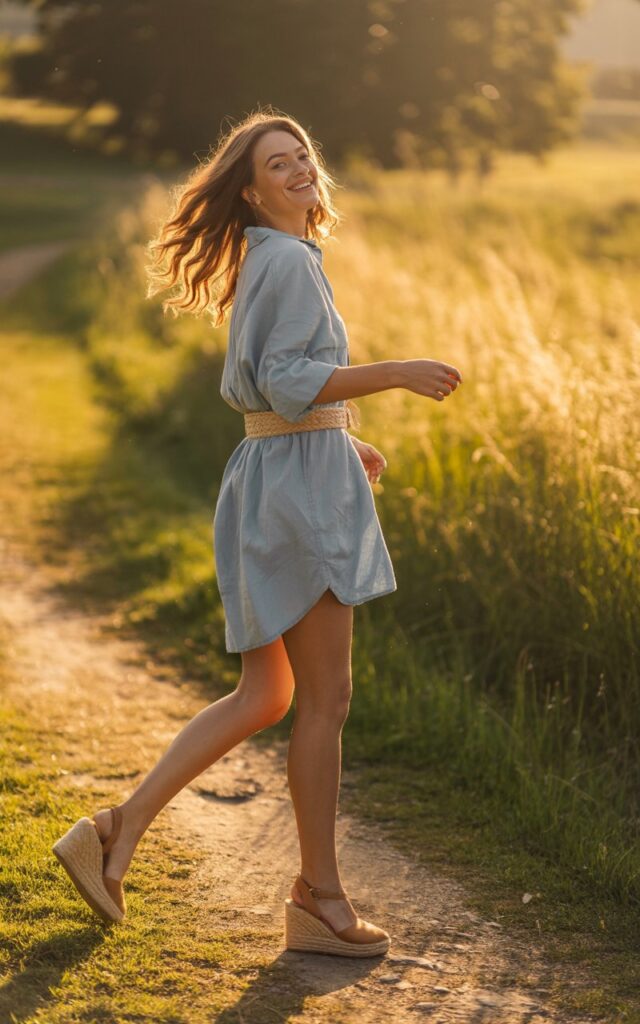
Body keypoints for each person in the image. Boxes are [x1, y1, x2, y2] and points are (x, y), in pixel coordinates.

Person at [52, 109, 462, 957]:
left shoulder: (274, 259)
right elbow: (282, 380)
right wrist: (393, 373)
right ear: (252, 189)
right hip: (296, 497)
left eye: (303, 154)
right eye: (280, 163)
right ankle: (321, 898)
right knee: (325, 701)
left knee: (267, 696)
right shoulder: (287, 262)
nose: (301, 169)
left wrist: (342, 432)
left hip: (281, 475)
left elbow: (282, 391)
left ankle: (114, 831)